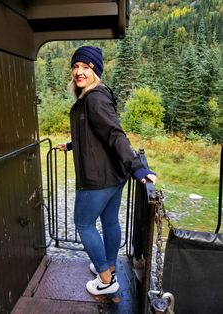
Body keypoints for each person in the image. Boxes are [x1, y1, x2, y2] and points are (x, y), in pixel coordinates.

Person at [57, 46, 156, 296]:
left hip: (98, 178)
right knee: (109, 220)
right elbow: (96, 133)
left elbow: (114, 134)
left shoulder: (94, 98)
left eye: (86, 67)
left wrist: (139, 168)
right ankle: (109, 266)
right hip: (114, 175)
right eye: (76, 66)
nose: (79, 72)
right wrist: (71, 145)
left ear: (95, 71)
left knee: (83, 223)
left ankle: (105, 280)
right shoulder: (96, 95)